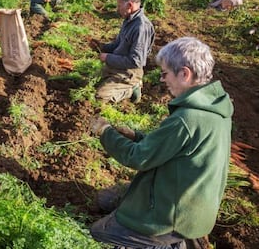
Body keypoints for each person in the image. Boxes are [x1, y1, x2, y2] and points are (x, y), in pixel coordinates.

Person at [90, 37, 233, 249]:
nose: (163, 80)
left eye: (165, 73)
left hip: (173, 216)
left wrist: (105, 132)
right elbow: (174, 149)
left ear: (184, 74)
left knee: (99, 232)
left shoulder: (187, 119)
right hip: (194, 206)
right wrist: (136, 136)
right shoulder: (215, 110)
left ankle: (169, 243)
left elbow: (138, 157)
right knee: (106, 199)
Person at [95, 0, 155, 104]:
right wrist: (101, 47)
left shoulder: (141, 27)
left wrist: (107, 57)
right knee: (88, 82)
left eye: (119, 4)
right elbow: (118, 44)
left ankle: (131, 89)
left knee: (100, 98)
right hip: (117, 66)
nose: (117, 8)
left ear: (129, 5)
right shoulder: (128, 20)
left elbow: (135, 61)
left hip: (128, 73)